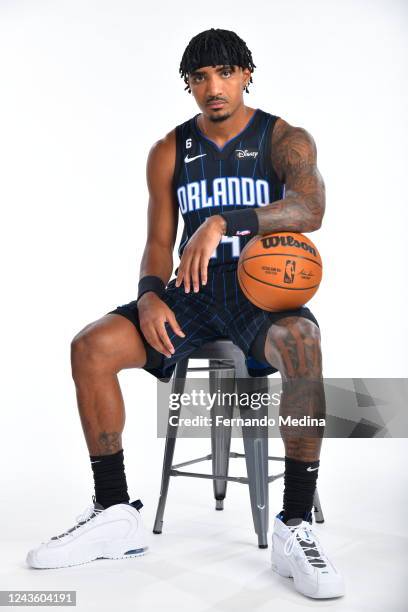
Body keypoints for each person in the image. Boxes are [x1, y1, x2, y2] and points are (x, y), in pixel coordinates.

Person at [26, 28, 344, 599]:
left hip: (259, 291)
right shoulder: (170, 149)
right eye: (199, 78)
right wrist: (149, 293)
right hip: (189, 292)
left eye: (224, 73)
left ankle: (293, 525)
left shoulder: (283, 138)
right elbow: (157, 240)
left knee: (302, 343)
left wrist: (225, 220)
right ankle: (114, 512)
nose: (212, 87)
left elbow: (311, 207)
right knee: (90, 347)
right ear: (189, 86)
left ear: (247, 74)